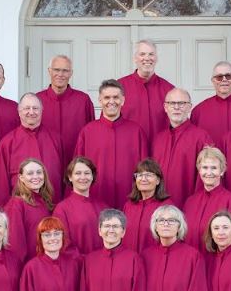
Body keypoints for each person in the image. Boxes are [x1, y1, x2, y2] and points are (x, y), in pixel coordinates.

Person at [74, 79, 148, 208]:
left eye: (116, 97)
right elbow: (77, 169)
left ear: (123, 100)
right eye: (107, 97)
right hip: (96, 198)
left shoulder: (136, 131)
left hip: (129, 199)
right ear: (100, 100)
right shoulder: (87, 131)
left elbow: (145, 169)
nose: (111, 101)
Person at [0, 92, 63, 203]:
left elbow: (64, 176)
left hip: (51, 206)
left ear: (42, 111)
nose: (31, 112)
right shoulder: (7, 143)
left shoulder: (56, 140)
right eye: (27, 108)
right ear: (19, 112)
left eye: (35, 108)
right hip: (19, 208)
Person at [152, 87, 213, 206]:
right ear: (165, 107)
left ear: (189, 107)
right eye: (172, 103)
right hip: (159, 208)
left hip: (188, 205)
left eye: (181, 103)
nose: (176, 107)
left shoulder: (201, 137)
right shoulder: (158, 139)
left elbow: (206, 177)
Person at [183, 147, 231, 250]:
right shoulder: (190, 202)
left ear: (222, 171)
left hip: (217, 260)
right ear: (199, 170)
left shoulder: (230, 202)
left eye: (214, 168)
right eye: (205, 167)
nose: (209, 172)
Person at [36, 55, 95, 165]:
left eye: (65, 71)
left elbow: (91, 135)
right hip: (45, 164)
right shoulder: (37, 100)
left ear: (71, 73)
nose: (60, 74)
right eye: (56, 70)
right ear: (49, 71)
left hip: (76, 165)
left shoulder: (83, 100)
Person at [118, 40, 175, 143]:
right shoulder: (119, 87)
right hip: (128, 147)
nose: (147, 58)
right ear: (135, 58)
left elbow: (178, 124)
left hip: (159, 149)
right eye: (142, 54)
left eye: (151, 54)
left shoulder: (169, 89)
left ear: (156, 58)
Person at [3, 159, 56, 263]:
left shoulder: (45, 202)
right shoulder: (16, 204)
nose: (35, 176)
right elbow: (15, 243)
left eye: (39, 172)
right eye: (30, 173)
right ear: (21, 178)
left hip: (46, 262)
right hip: (28, 265)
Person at [52, 157, 106, 254]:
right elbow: (63, 244)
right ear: (70, 177)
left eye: (87, 173)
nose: (83, 177)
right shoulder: (62, 209)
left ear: (92, 176)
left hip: (103, 261)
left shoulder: (103, 207)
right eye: (78, 173)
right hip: (78, 262)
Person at [122, 159, 172, 253]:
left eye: (148, 175)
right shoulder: (128, 206)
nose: (143, 179)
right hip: (130, 259)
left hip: (154, 258)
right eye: (140, 175)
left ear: (158, 180)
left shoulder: (166, 207)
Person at [189, 61, 231, 148]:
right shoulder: (199, 111)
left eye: (228, 76)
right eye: (219, 77)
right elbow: (193, 142)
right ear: (213, 81)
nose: (224, 79)